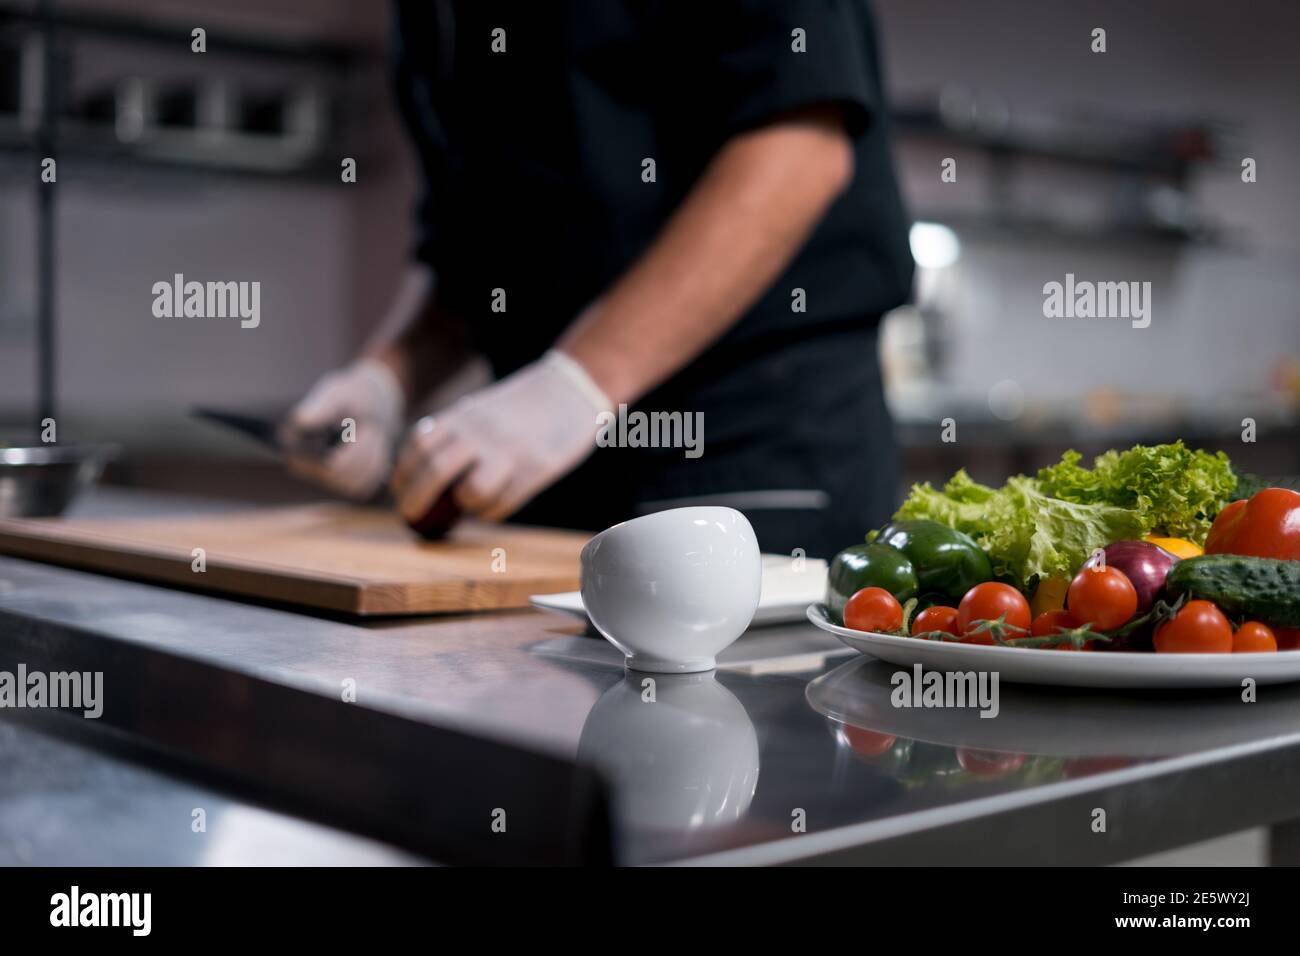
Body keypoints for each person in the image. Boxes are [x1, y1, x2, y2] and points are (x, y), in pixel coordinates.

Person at [287, 0, 913, 558]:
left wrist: (577, 384)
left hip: (745, 457)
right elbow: (469, 254)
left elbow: (797, 150)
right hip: (546, 483)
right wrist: (387, 378)